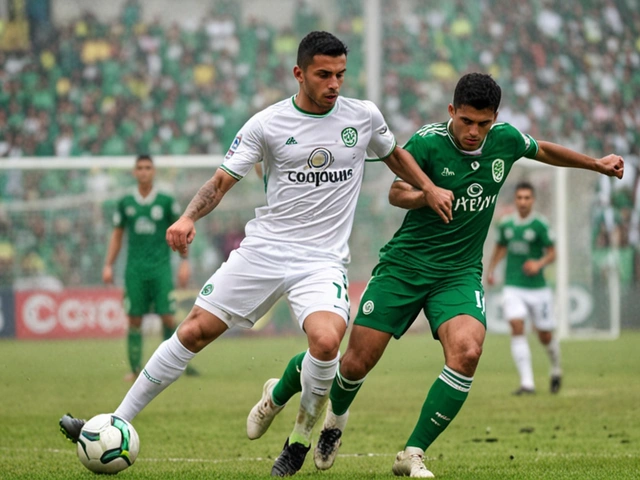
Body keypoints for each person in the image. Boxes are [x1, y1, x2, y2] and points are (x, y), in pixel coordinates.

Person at [59, 31, 452, 477]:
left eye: (341, 74)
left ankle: (298, 442)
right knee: (192, 332)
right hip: (264, 251)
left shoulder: (362, 117)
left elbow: (394, 154)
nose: (334, 84)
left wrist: (429, 187)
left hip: (321, 261)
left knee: (326, 343)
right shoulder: (266, 123)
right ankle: (116, 421)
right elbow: (221, 181)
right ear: (299, 73)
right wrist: (188, 218)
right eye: (324, 74)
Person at [307, 73, 624, 478]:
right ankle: (334, 420)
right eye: (467, 121)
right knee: (355, 363)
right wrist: (427, 193)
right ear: (452, 111)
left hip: (458, 272)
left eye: (483, 123)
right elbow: (395, 193)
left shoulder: (505, 140)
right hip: (404, 267)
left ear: (495, 119)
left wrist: (594, 164)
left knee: (468, 353)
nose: (474, 132)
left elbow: (542, 149)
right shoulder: (426, 142)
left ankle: (413, 452)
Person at [101, 154, 196, 381]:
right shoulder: (126, 202)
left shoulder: (165, 201)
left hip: (161, 269)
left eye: (148, 168)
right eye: (140, 168)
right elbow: (117, 235)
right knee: (134, 319)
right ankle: (135, 370)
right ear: (134, 173)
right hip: (134, 270)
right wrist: (108, 265)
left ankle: (171, 367)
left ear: (153, 172)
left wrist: (184, 262)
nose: (144, 171)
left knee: (168, 318)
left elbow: (181, 231)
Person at [486, 181, 562, 395]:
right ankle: (527, 383)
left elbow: (553, 253)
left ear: (533, 200)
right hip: (513, 286)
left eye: (527, 198)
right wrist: (491, 270)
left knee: (545, 335)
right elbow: (500, 248)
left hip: (538, 288)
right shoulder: (506, 225)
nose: (523, 202)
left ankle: (556, 369)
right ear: (515, 200)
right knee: (516, 326)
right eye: (519, 198)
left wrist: (538, 264)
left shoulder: (540, 225)